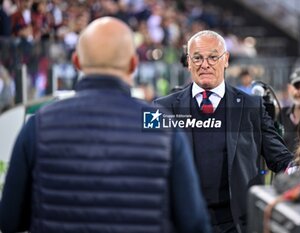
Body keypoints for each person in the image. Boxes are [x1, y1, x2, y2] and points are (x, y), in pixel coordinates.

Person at [0, 17, 211, 233]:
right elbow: (193, 223)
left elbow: (9, 220)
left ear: (77, 62)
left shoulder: (39, 125)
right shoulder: (163, 127)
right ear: (133, 64)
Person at [154, 30, 292, 233]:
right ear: (189, 62)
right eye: (198, 58)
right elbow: (147, 160)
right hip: (183, 221)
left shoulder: (252, 106)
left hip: (236, 224)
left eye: (212, 57)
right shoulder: (161, 107)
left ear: (225, 59)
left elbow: (280, 158)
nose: (205, 64)